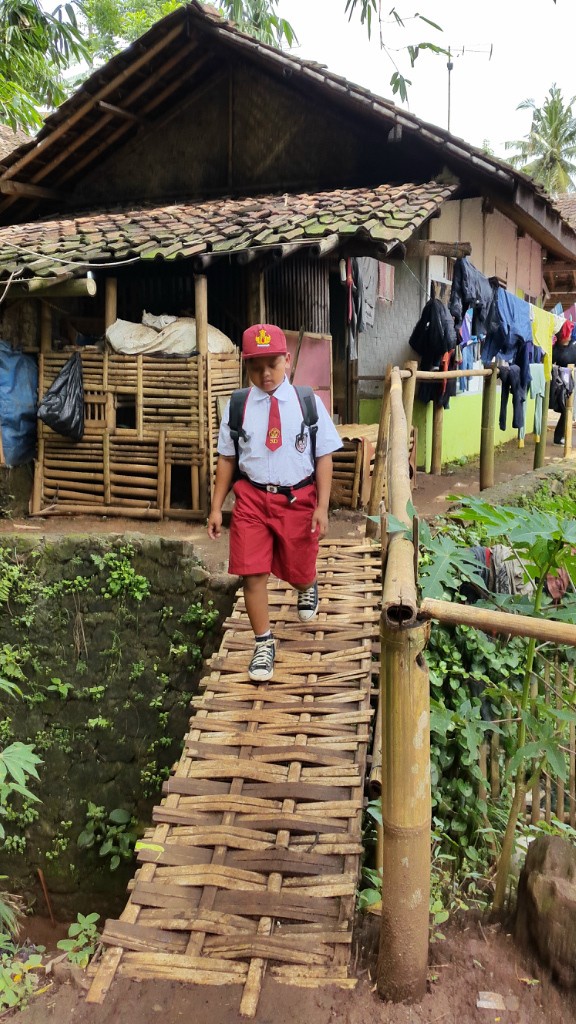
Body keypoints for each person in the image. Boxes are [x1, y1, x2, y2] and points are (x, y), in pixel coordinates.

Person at [207, 323, 343, 682]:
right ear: (245, 366)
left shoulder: (307, 403)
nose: (265, 374)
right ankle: (264, 643)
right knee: (252, 573)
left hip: (298, 499)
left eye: (272, 364)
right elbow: (226, 458)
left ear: (287, 361)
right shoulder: (238, 406)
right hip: (251, 499)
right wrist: (216, 507)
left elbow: (324, 456)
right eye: (255, 366)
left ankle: (306, 583)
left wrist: (322, 506)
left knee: (299, 568)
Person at [551, 327, 576, 445]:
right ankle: (558, 437)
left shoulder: (573, 347)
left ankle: (560, 436)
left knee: (568, 410)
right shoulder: (555, 350)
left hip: (572, 381)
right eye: (568, 333)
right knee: (566, 409)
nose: (570, 335)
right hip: (560, 384)